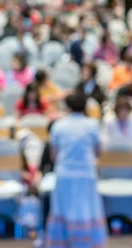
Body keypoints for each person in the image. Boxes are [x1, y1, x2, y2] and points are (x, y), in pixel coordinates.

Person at [45, 93, 107, 248]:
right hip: (87, 174)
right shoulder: (92, 124)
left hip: (64, 174)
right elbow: (98, 152)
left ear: (67, 107)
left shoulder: (59, 125)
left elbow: (53, 155)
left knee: (64, 211)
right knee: (86, 211)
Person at [101, 96, 132, 170]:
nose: (123, 115)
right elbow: (104, 137)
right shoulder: (108, 120)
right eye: (121, 112)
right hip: (113, 152)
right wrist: (108, 146)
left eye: (126, 112)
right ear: (116, 112)